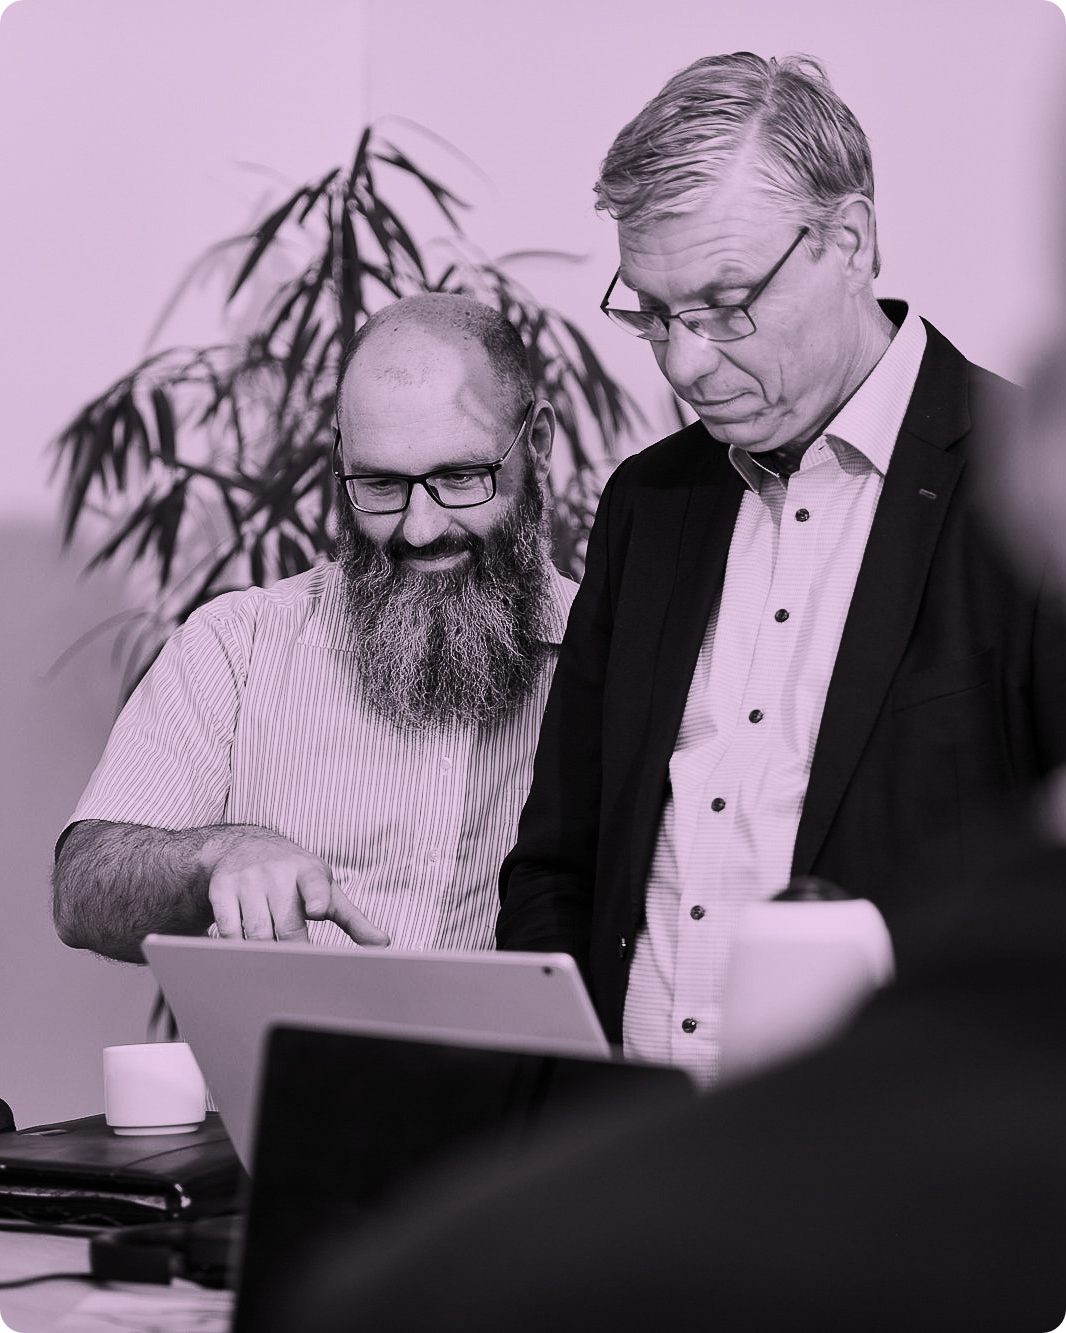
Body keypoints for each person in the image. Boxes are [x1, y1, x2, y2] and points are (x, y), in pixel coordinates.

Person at [496, 51, 1066, 1087]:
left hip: (905, 1151)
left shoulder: (1027, 489)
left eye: (725, 306)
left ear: (849, 242)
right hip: (637, 1142)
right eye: (654, 314)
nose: (684, 364)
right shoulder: (647, 503)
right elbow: (559, 862)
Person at [52, 294, 574, 964]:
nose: (420, 529)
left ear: (536, 444)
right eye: (380, 485)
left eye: (459, 476)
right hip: (276, 1041)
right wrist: (217, 855)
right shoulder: (237, 644)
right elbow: (83, 891)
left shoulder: (621, 657)